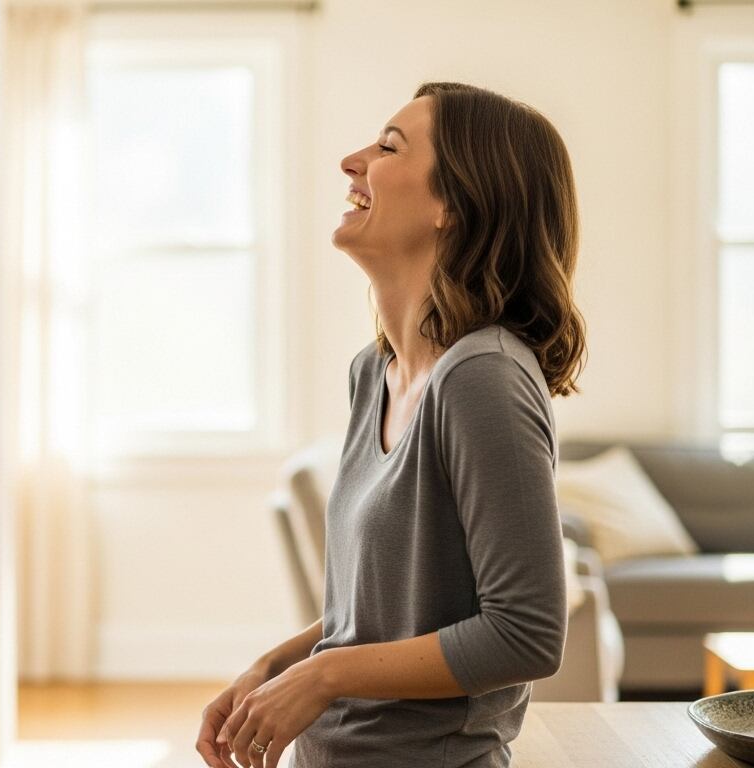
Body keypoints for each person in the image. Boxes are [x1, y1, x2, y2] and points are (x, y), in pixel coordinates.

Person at [196, 82, 587, 768]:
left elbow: (525, 633)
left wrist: (322, 675)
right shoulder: (372, 371)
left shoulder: (482, 378)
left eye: (387, 146)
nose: (352, 161)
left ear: (454, 206)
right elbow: (380, 614)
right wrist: (277, 667)